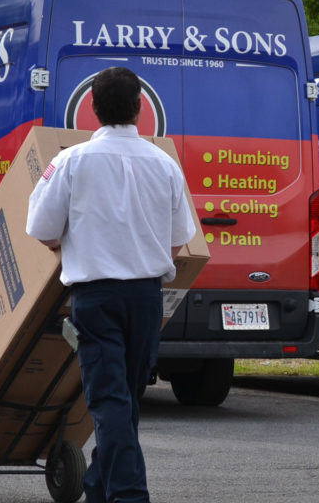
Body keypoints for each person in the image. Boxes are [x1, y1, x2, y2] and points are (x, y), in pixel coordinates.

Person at [26, 66, 197, 503]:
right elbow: (180, 242)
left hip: (96, 296)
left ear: (93, 109)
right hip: (145, 298)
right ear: (139, 107)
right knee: (125, 401)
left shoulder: (71, 161)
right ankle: (99, 490)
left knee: (111, 402)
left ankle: (128, 496)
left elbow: (42, 230)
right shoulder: (165, 165)